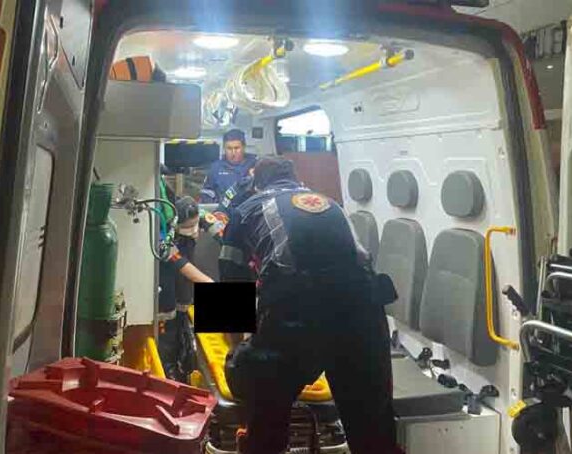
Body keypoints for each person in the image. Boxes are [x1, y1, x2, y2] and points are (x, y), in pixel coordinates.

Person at [218, 157, 401, 454]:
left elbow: (229, 295)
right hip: (364, 312)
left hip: (295, 313)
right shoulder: (331, 203)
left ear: (257, 185)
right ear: (296, 180)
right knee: (373, 428)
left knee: (262, 405)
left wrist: (238, 351)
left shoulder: (246, 209)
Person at [158, 195, 212, 383]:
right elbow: (180, 263)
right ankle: (168, 370)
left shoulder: (197, 214)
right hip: (166, 284)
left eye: (195, 224)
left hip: (184, 288)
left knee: (183, 322)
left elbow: (220, 229)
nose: (194, 230)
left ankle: (183, 362)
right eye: (188, 227)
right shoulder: (163, 236)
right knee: (168, 328)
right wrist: (208, 282)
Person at [199, 129, 257, 203]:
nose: (233, 152)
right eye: (229, 148)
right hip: (224, 208)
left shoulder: (255, 165)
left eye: (237, 148)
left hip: (249, 208)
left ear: (244, 147)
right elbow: (206, 192)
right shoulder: (216, 168)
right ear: (224, 148)